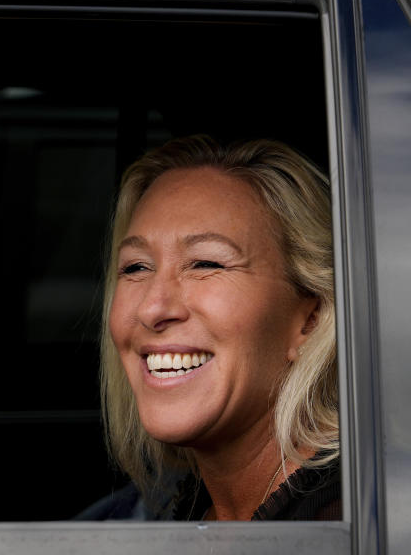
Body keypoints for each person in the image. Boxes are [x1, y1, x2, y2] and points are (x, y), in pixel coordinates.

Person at [85, 135, 339, 521]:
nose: (153, 309)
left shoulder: (343, 526)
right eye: (136, 267)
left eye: (205, 264)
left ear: (311, 319)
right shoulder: (183, 507)